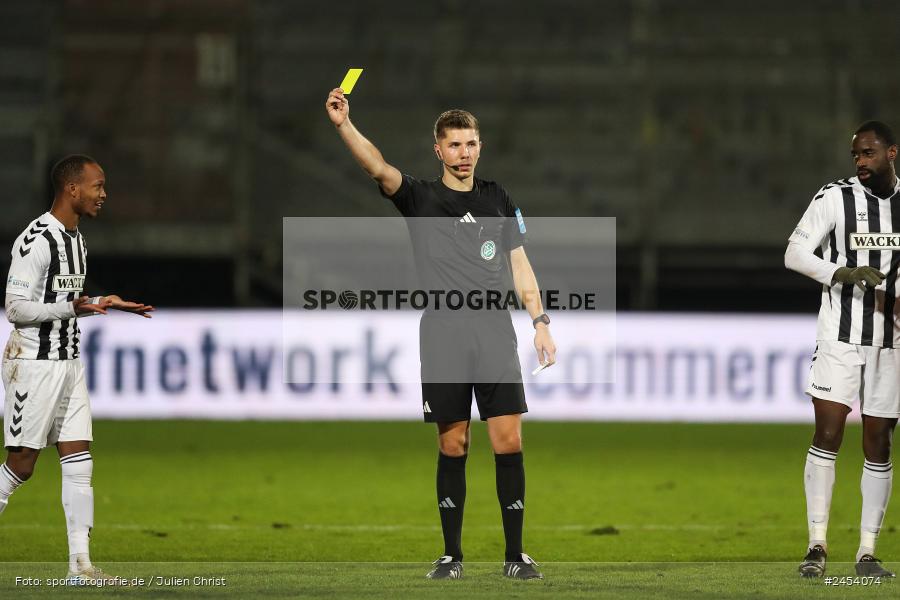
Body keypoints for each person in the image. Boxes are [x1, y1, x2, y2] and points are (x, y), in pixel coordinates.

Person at [326, 88, 556, 580]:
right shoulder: (420, 197)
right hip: (443, 335)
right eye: (454, 145)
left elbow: (520, 265)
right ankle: (451, 555)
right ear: (438, 150)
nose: (464, 153)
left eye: (471, 144)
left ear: (480, 146)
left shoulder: (499, 199)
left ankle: (515, 556)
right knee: (453, 445)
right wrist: (345, 125)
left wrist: (540, 322)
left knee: (508, 441)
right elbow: (377, 167)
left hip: (494, 332)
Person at [1, 155, 154, 584]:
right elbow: (15, 308)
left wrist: (102, 303)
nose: (103, 194)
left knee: (79, 460)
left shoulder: (78, 240)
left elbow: (69, 302)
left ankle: (81, 565)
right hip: (32, 365)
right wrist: (71, 306)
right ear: (73, 190)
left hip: (69, 363)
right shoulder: (35, 240)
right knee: (22, 465)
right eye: (97, 186)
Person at [785, 121, 900, 579]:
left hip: (890, 343)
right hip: (839, 336)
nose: (861, 162)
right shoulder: (835, 197)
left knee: (879, 442)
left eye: (869, 153)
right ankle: (816, 546)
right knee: (829, 432)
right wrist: (844, 273)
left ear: (892, 153)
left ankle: (867, 552)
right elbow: (795, 254)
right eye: (856, 155)